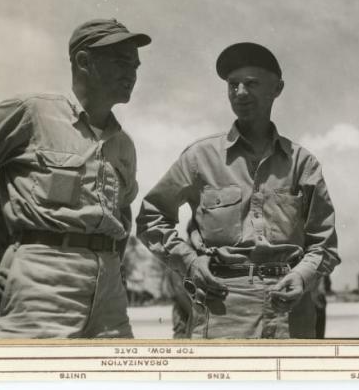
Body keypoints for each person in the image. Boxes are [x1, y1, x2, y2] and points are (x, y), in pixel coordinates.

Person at [138, 42, 339, 339]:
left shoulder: (302, 164)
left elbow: (323, 244)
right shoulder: (199, 157)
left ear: (277, 88)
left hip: (289, 312)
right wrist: (189, 263)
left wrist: (301, 276)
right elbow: (151, 217)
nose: (241, 92)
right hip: (220, 309)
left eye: (252, 83)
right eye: (233, 84)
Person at [0, 18, 151, 338]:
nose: (131, 73)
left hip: (109, 297)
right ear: (83, 61)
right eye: (121, 62)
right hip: (44, 284)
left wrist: (115, 275)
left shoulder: (123, 145)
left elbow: (122, 212)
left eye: (135, 65)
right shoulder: (31, 113)